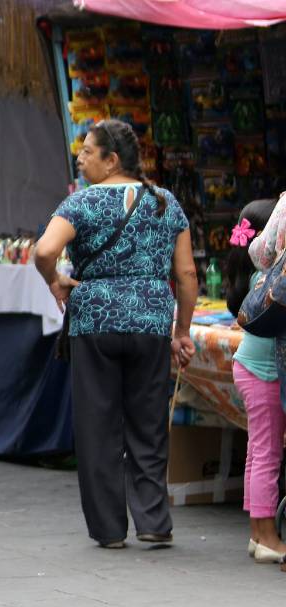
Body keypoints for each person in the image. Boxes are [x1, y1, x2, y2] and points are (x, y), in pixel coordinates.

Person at [34, 119, 197, 549]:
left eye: (88, 151)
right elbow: (186, 273)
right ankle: (153, 521)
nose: (80, 157)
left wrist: (55, 280)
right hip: (151, 322)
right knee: (148, 422)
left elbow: (45, 250)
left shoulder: (81, 204)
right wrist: (181, 331)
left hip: (96, 323)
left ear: (112, 160)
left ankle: (109, 529)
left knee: (98, 425)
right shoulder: (165, 202)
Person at [227, 200, 286, 563]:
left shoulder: (257, 274)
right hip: (263, 372)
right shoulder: (272, 279)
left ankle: (257, 531)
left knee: (257, 451)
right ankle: (266, 536)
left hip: (249, 367)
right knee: (267, 453)